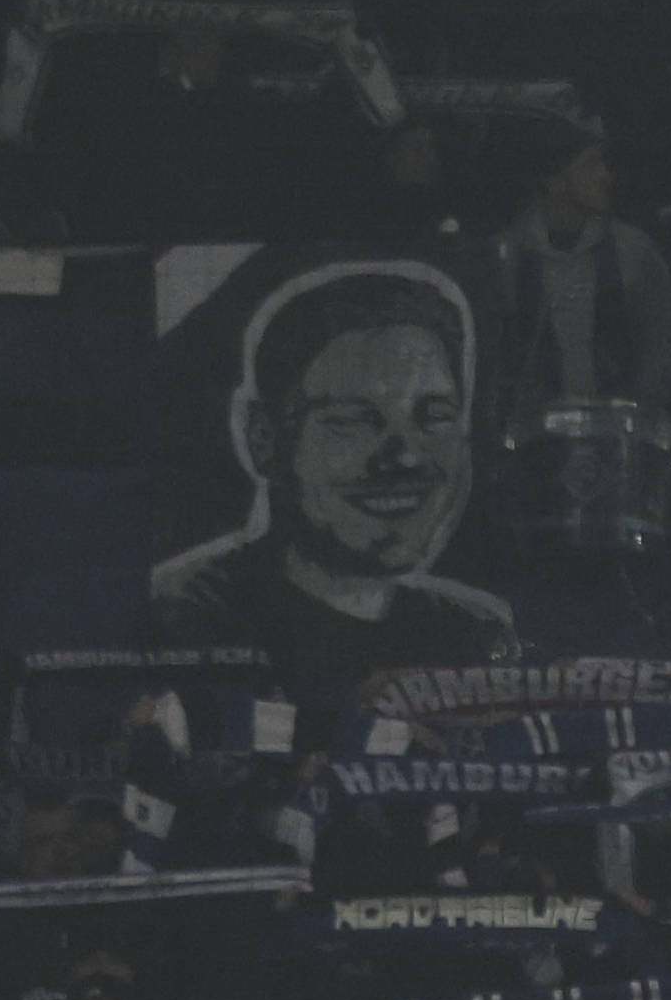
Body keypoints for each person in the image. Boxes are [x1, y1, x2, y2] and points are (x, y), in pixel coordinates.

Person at [142, 258, 521, 684]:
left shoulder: (470, 635)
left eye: (434, 416)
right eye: (353, 420)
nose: (407, 456)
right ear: (264, 438)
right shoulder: (184, 619)